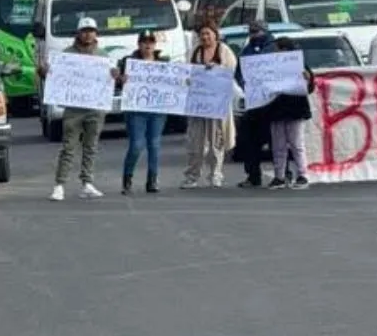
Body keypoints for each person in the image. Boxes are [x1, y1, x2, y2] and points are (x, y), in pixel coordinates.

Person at [43, 17, 115, 201]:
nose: (88, 34)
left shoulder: (103, 56)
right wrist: (45, 71)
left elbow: (111, 79)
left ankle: (87, 183)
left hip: (95, 108)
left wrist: (115, 75)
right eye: (84, 30)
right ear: (78, 33)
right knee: (68, 147)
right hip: (74, 108)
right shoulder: (66, 55)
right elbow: (53, 77)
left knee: (91, 147)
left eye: (91, 30)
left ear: (96, 33)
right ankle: (59, 185)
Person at [182, 23, 237, 189]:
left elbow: (230, 71)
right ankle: (192, 175)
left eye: (208, 34)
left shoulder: (224, 51)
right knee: (195, 142)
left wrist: (216, 69)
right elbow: (185, 72)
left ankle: (215, 174)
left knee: (216, 141)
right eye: (202, 34)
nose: (205, 37)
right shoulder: (194, 52)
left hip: (216, 103)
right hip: (198, 103)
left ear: (215, 35)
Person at [116, 30, 170, 194]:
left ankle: (152, 180)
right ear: (138, 44)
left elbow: (172, 84)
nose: (147, 45)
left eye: (151, 42)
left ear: (155, 44)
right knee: (137, 145)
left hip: (157, 109)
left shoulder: (163, 62)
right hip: (136, 109)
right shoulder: (129, 61)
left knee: (154, 144)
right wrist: (121, 80)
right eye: (144, 42)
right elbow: (118, 82)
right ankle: (127, 178)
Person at [265, 37, 315, 190]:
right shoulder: (270, 65)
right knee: (278, 145)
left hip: (295, 108)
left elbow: (310, 87)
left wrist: (308, 79)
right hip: (276, 109)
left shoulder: (298, 64)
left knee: (296, 143)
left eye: (278, 49)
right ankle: (279, 176)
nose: (275, 52)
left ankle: (302, 174)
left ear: (286, 50)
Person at [235, 20, 275, 188]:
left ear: (265, 31)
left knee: (278, 141)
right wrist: (245, 84)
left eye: (257, 31)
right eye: (251, 32)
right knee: (248, 138)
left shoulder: (275, 48)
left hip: (274, 103)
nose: (253, 35)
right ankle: (253, 175)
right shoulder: (247, 50)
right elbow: (239, 72)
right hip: (254, 103)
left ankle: (283, 173)